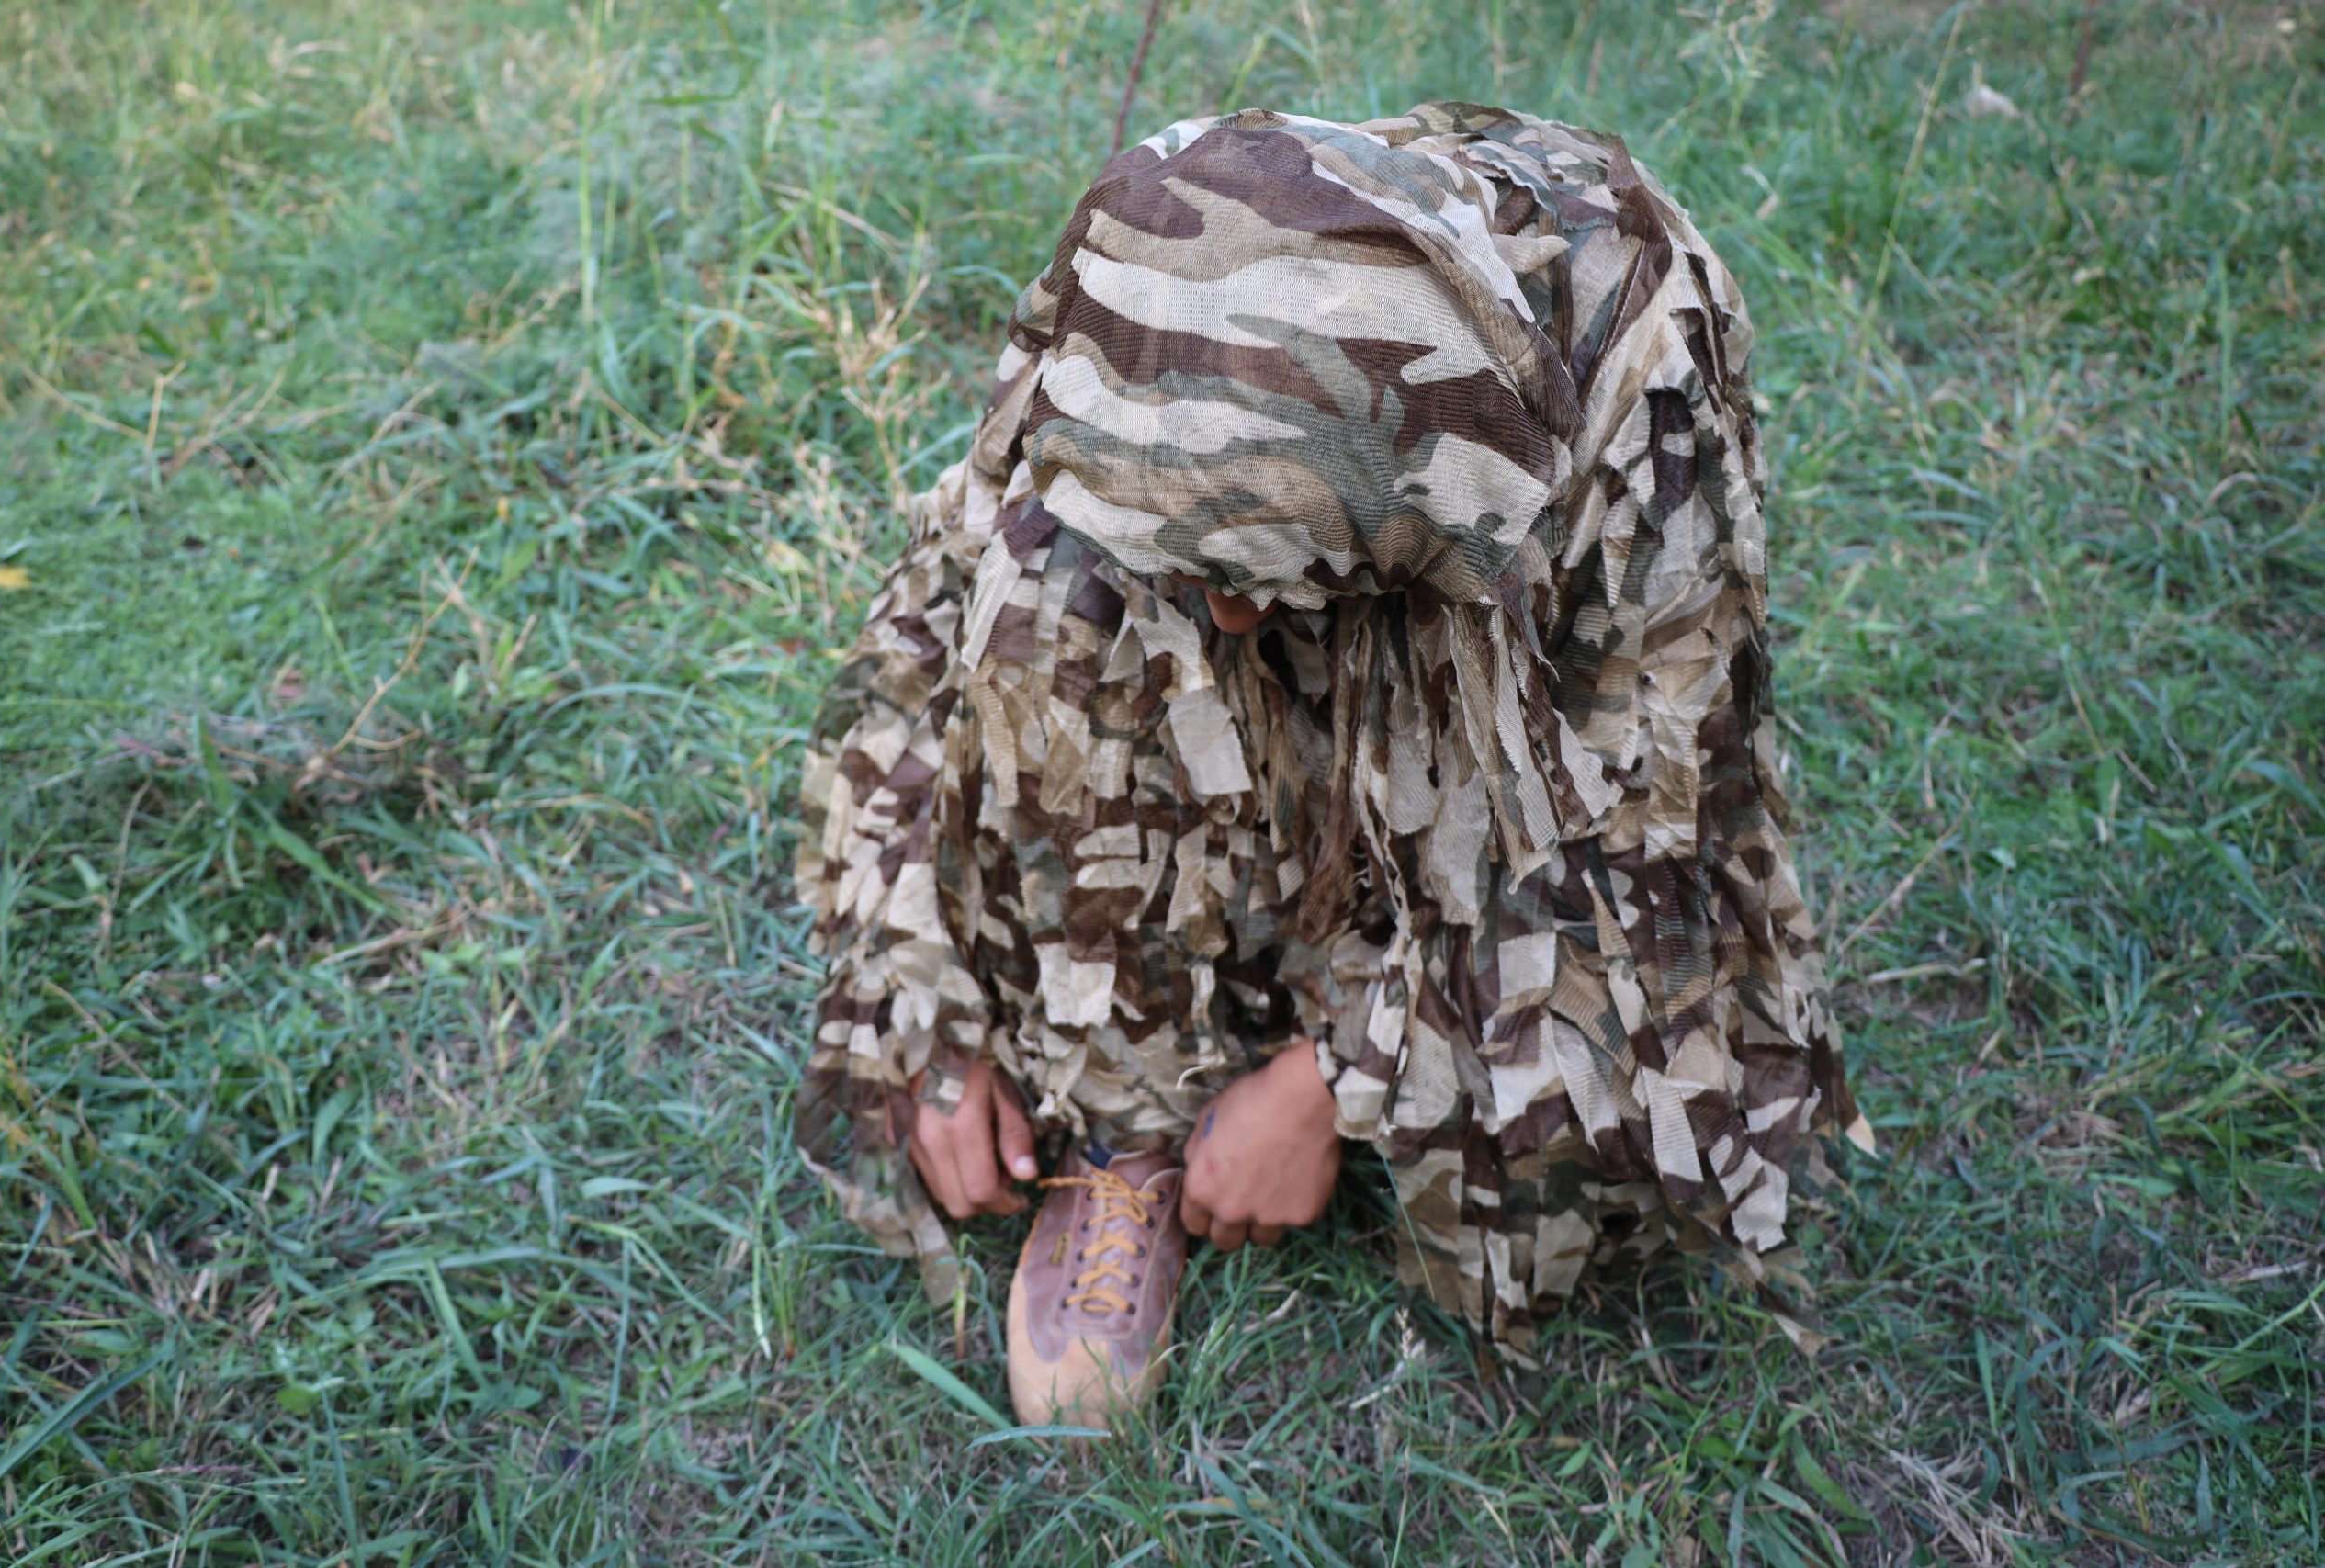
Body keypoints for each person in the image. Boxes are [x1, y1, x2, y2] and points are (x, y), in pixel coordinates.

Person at [794, 102, 1871, 1428]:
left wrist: (1333, 1086)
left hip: (1497, 730)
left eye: (1246, 579)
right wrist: (920, 992)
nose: (1223, 619)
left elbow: (1640, 849)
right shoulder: (1145, 297)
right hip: (1284, 638)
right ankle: (1127, 1110)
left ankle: (1340, 1000)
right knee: (1050, 594)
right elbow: (922, 649)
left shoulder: (1637, 376)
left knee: (1578, 1156)